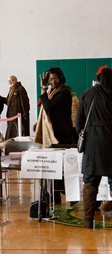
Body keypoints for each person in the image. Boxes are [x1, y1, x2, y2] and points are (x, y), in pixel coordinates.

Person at [76, 66, 112, 229]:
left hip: (92, 144)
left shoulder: (88, 93)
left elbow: (78, 123)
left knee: (90, 181)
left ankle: (88, 220)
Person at [35, 67, 73, 204]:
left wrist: (43, 89)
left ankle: (67, 196)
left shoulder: (64, 93)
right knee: (55, 168)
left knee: (63, 169)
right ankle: (55, 198)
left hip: (62, 136)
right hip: (54, 135)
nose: (53, 81)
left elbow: (48, 107)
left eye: (55, 78)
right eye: (50, 79)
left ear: (61, 78)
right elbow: (42, 104)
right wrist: (45, 90)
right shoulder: (52, 91)